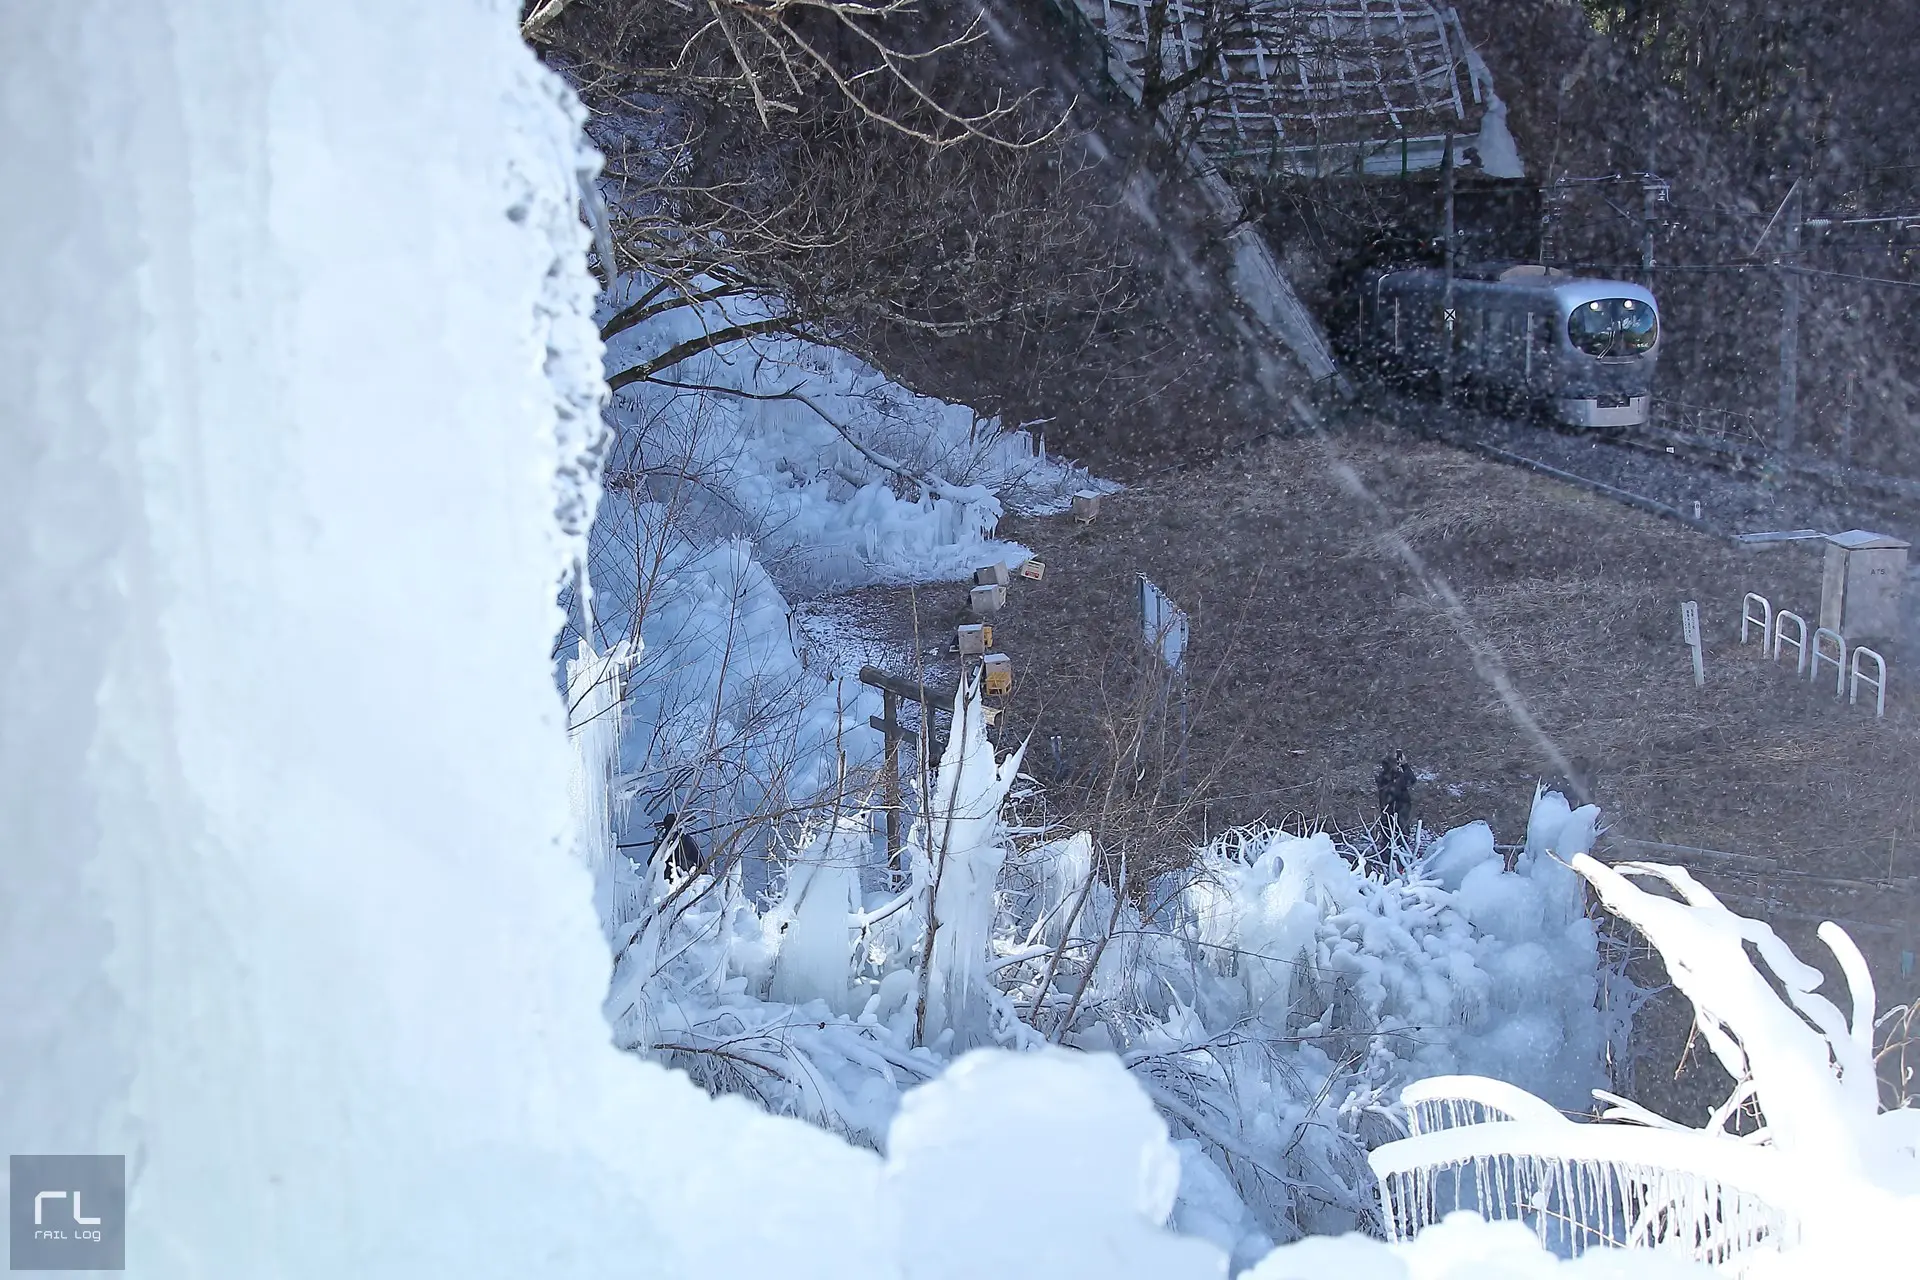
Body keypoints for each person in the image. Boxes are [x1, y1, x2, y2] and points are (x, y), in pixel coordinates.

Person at [1376, 750, 1415, 842]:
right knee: (1392, 835)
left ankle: (1397, 851)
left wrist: (1404, 765)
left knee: (1399, 834)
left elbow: (1411, 780)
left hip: (1398, 810)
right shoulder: (1385, 778)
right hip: (1392, 810)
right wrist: (1404, 765)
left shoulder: (1395, 776)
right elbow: (1411, 780)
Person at [652, 811, 701, 883]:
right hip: (684, 881)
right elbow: (700, 862)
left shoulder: (663, 844)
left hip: (670, 883)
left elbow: (651, 863)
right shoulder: (686, 839)